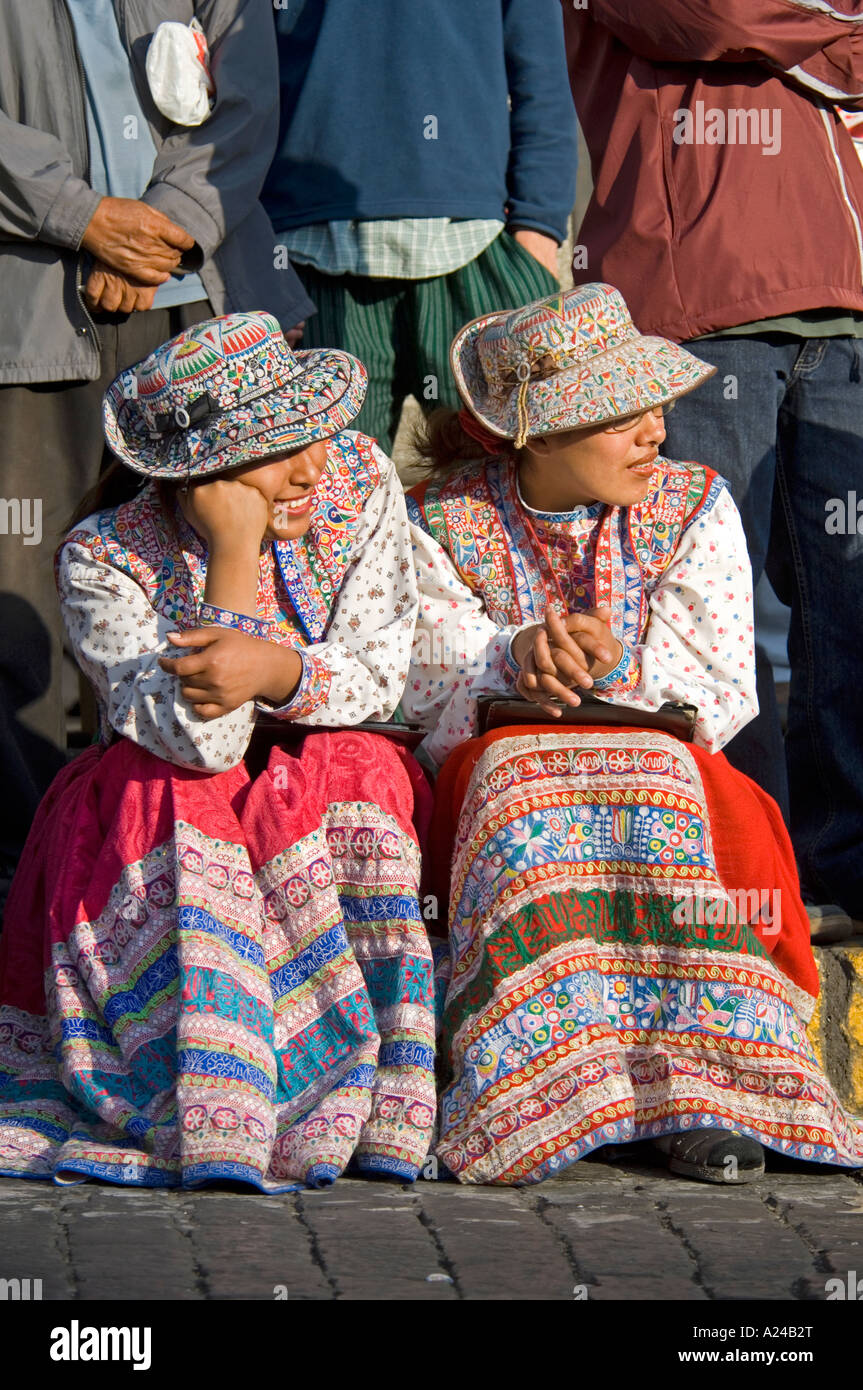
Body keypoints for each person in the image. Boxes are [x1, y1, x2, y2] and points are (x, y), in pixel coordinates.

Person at [402, 285, 863, 1186]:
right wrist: (514, 656)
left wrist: (607, 668)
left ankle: (698, 1091)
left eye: (652, 404)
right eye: (618, 414)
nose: (655, 429)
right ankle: (548, 1084)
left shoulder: (693, 506)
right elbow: (422, 684)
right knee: (520, 781)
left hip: (665, 759)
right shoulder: (442, 521)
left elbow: (721, 690)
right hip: (499, 766)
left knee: (658, 781)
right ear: (535, 434)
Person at [0, 312, 435, 1191]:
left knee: (355, 767)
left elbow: (383, 672)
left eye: (313, 435)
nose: (312, 466)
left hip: (311, 769)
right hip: (173, 783)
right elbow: (200, 742)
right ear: (197, 478)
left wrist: (274, 668)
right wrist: (235, 557)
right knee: (162, 785)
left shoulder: (360, 480)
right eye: (275, 454)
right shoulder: (104, 557)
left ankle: (374, 1082)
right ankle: (214, 1089)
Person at [561, 0, 863, 935]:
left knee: (847, 611)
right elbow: (707, 15)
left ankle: (841, 873)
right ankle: (737, 869)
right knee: (701, 614)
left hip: (843, 304)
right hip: (692, 313)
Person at [0, 1, 313, 895]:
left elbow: (244, 99)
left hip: (197, 300)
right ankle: (39, 885)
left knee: (210, 571)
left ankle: (203, 863)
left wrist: (159, 225)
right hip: (27, 319)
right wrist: (81, 217)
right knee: (23, 609)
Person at [262, 0, 577, 453]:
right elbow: (242, 77)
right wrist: (261, 255)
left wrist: (538, 232)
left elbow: (543, 76)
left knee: (501, 488)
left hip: (476, 250)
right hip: (313, 252)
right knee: (332, 495)